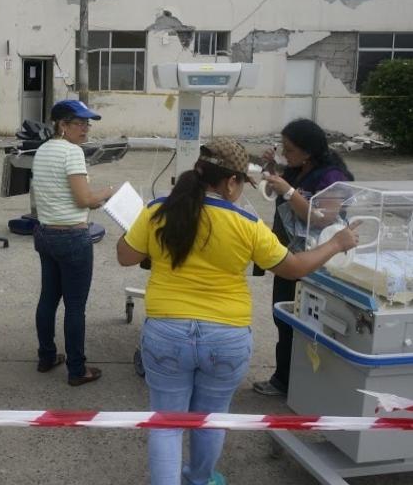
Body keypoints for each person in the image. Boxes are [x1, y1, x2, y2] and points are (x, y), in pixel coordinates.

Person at [116, 138, 358, 485]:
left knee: (167, 424)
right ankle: (200, 479)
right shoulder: (247, 221)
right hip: (226, 336)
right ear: (231, 181)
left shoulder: (158, 210)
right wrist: (337, 243)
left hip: (166, 331)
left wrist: (140, 228)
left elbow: (125, 256)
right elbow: (293, 268)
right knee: (211, 419)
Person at [252, 119, 354, 397]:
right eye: (283, 148)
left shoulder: (332, 177)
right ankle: (285, 378)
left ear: (308, 151)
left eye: (290, 150)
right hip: (288, 253)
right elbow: (279, 195)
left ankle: (293, 382)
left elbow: (324, 219)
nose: (286, 155)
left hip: (316, 260)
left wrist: (287, 189)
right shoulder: (297, 168)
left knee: (305, 321)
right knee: (283, 315)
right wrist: (273, 172)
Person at [32, 100, 116, 386]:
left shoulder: (43, 150)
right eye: (78, 123)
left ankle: (46, 356)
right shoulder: (72, 153)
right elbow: (84, 199)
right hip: (71, 237)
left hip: (45, 234)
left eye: (87, 123)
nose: (85, 129)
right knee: (75, 306)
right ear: (62, 125)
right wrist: (108, 192)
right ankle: (77, 370)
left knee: (48, 298)